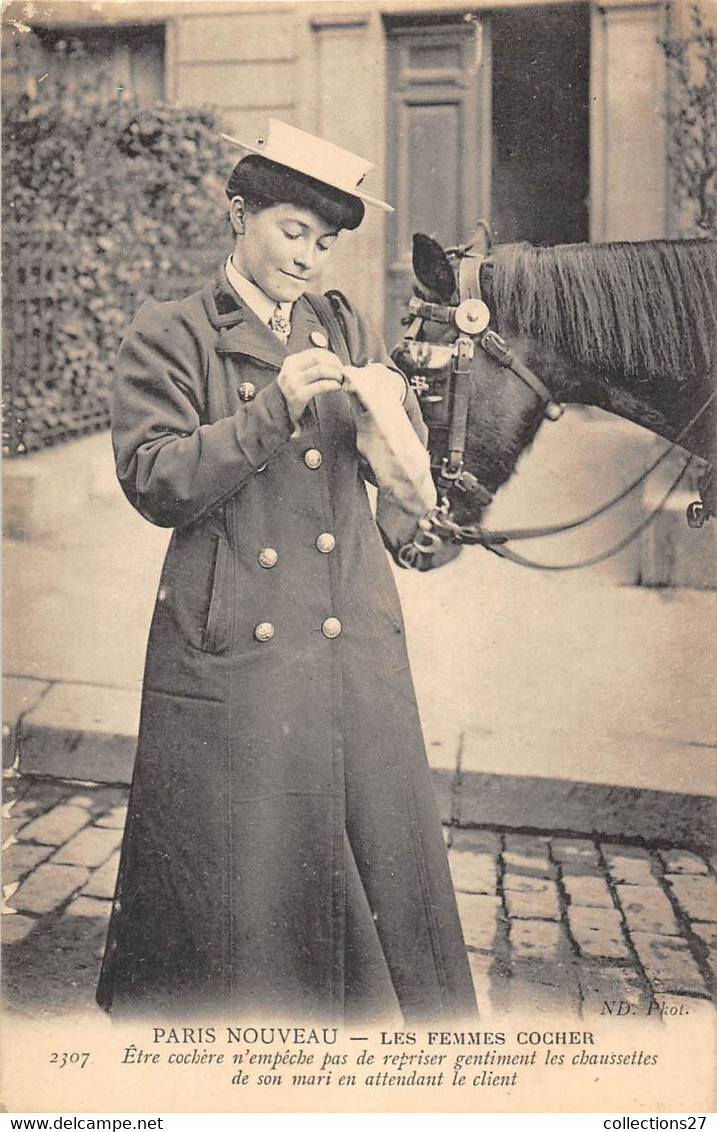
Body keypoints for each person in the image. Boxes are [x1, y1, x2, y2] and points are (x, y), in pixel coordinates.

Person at [97, 120, 477, 1024]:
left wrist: (410, 487)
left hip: (348, 629)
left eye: (325, 241)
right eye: (291, 232)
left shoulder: (342, 322)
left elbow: (381, 461)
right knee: (241, 873)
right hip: (237, 639)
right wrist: (272, 409)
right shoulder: (174, 332)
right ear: (239, 215)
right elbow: (153, 479)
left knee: (373, 851)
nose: (309, 258)